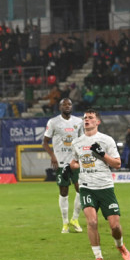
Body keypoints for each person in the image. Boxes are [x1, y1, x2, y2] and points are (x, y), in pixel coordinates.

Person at [68, 109, 130, 260]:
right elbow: (74, 162)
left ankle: (120, 245)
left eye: (90, 117)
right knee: (92, 222)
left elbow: (117, 164)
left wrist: (103, 155)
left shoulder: (106, 140)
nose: (86, 120)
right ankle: (98, 257)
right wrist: (73, 165)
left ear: (98, 122)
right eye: (85, 118)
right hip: (86, 187)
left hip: (105, 187)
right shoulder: (77, 142)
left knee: (115, 226)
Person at [42, 98, 84, 233]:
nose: (67, 106)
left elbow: (82, 140)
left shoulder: (78, 122)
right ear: (60, 107)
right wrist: (53, 156)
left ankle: (75, 219)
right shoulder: (53, 122)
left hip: (75, 162)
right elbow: (45, 142)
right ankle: (65, 223)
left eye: (69, 104)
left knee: (81, 189)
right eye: (64, 104)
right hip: (61, 163)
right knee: (64, 192)